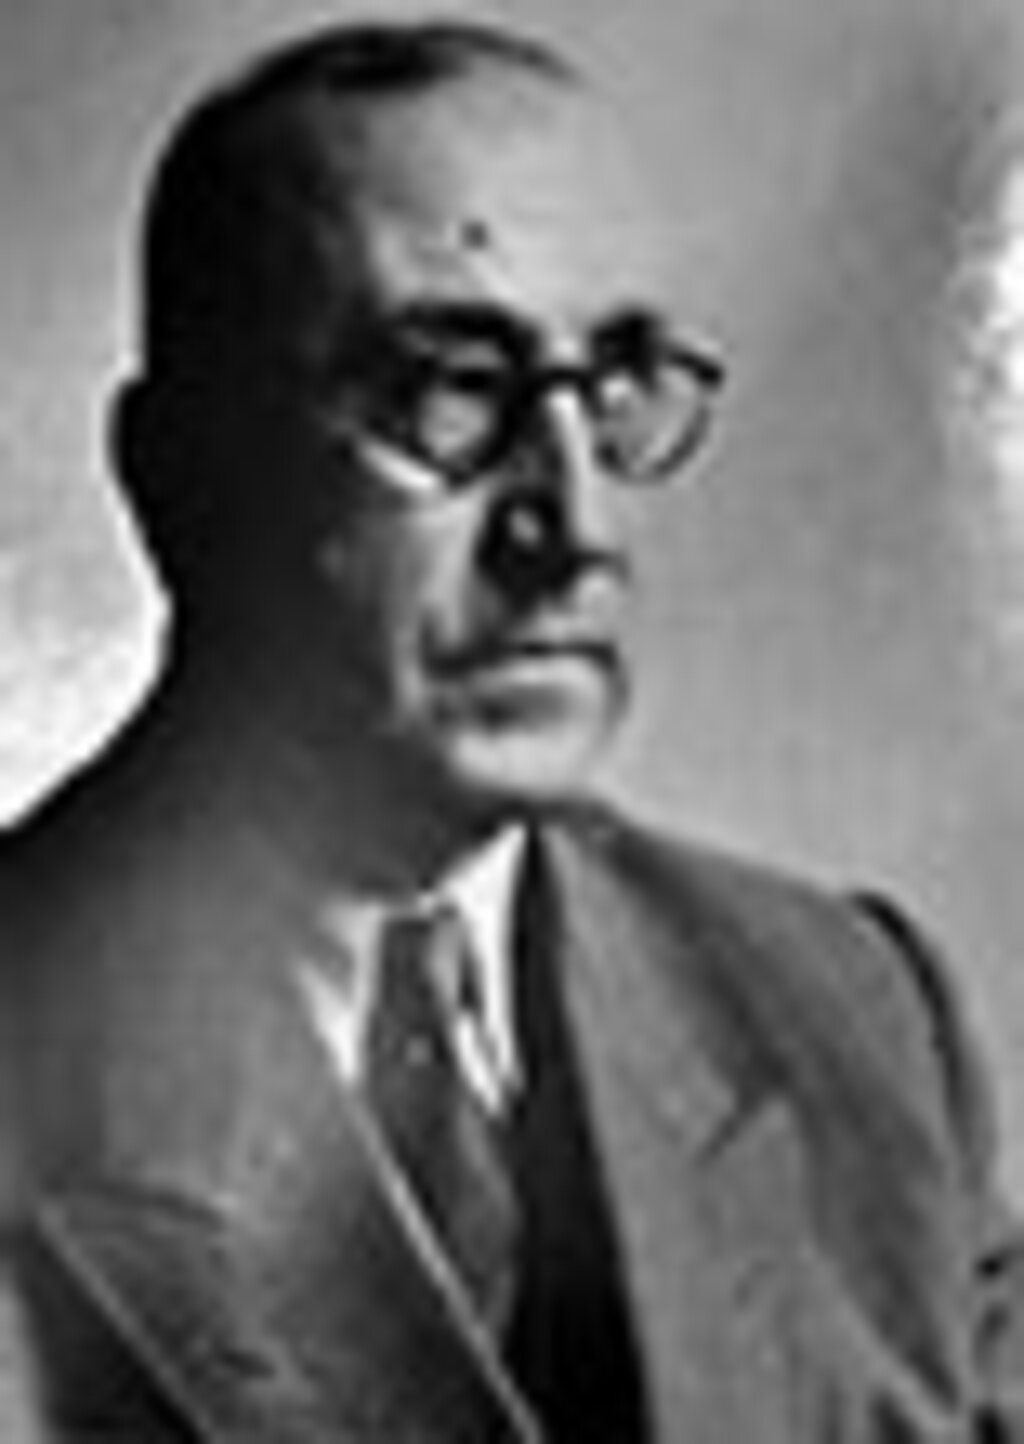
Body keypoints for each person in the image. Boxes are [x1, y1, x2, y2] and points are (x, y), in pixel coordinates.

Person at [0, 17, 1021, 1443]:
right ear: (175, 478)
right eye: (449, 391)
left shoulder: (851, 1018)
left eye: (617, 385)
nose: (576, 526)